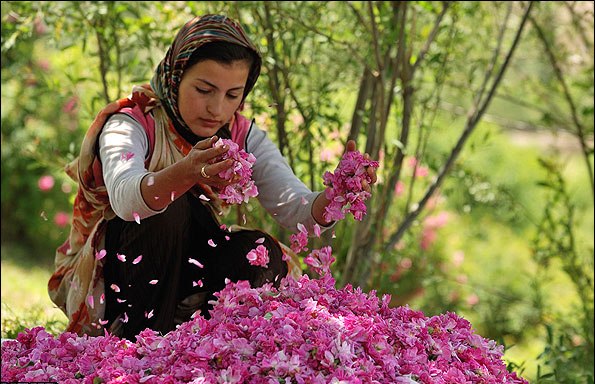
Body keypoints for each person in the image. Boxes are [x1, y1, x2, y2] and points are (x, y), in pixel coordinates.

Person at [48, 14, 377, 340]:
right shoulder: (131, 123)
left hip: (188, 278)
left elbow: (296, 207)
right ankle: (140, 347)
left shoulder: (242, 136)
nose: (217, 109)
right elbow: (126, 198)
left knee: (259, 251)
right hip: (117, 281)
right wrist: (186, 172)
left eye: (232, 95)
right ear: (177, 77)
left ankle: (206, 349)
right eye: (204, 90)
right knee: (168, 210)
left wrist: (336, 195)